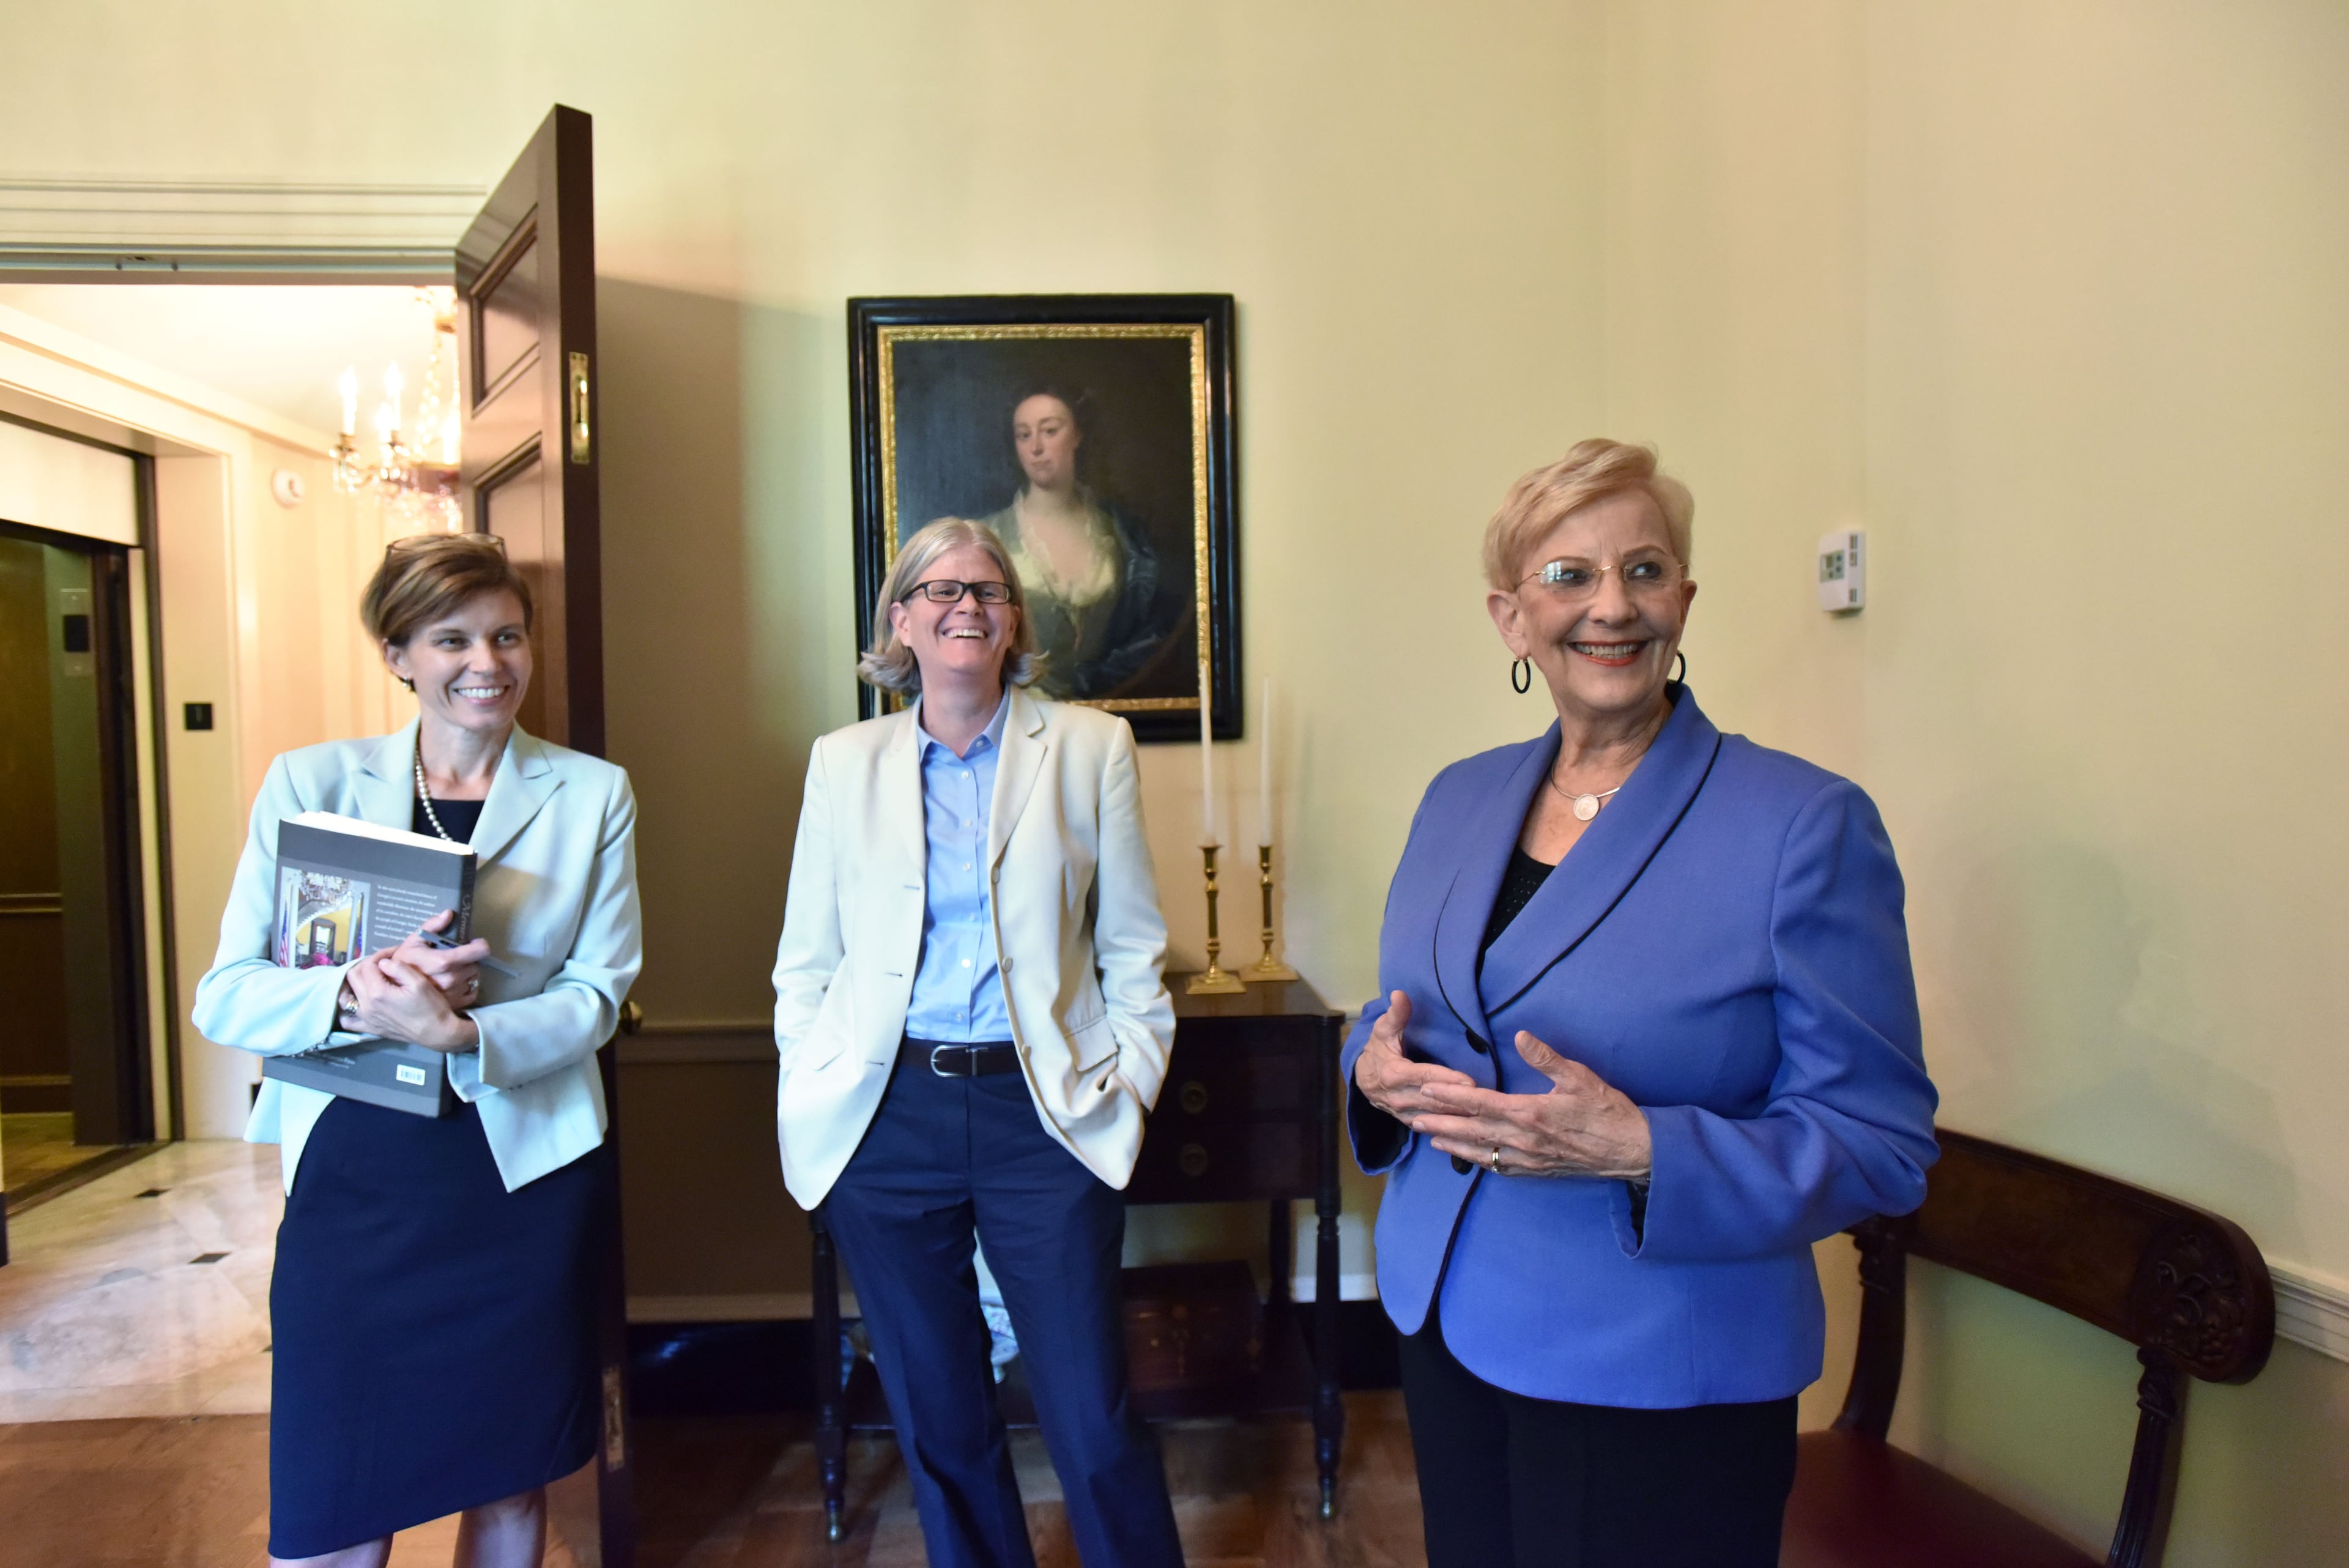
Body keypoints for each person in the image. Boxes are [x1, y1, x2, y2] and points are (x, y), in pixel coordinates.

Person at [1345, 440, 1939, 1568]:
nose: (1611, 605)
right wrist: (1367, 1071)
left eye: (1645, 570)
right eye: (1569, 575)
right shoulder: (1456, 797)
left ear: (1684, 600)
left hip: (1661, 1369)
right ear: (1512, 618)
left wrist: (1643, 1149)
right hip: (1446, 1325)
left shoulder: (1803, 824)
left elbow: (1881, 1142)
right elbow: (1402, 1013)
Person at [192, 533, 641, 1568]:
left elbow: (599, 992)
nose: (488, 662)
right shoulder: (309, 782)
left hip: (519, 1172)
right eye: (453, 639)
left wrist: (465, 1033)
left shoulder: (593, 792)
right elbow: (226, 994)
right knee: (333, 1492)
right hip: (357, 1175)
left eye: (508, 636)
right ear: (398, 654)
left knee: (510, 1476)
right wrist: (356, 993)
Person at [771, 517, 1184, 1568]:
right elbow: (807, 959)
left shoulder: (1089, 747)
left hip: (1041, 1111)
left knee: (1090, 1411)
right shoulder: (843, 763)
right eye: (941, 589)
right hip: (888, 1115)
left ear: (1014, 620)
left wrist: (1129, 1080)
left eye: (989, 589)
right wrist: (812, 1077)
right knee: (940, 1416)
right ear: (901, 620)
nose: (967, 604)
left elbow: (1133, 946)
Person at [970, 385, 1183, 699]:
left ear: (1077, 436)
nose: (1036, 447)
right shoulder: (989, 536)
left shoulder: (1121, 534)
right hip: (1020, 712)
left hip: (1112, 705)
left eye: (1050, 431)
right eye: (1024, 435)